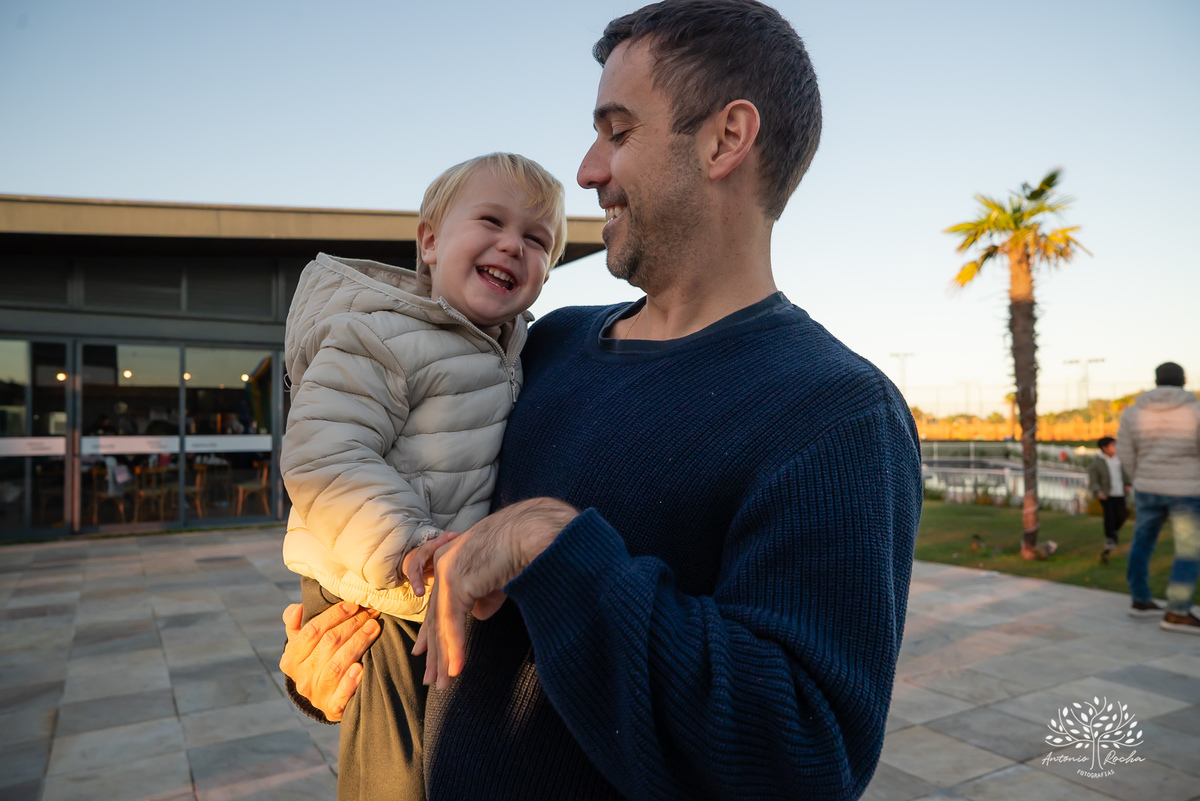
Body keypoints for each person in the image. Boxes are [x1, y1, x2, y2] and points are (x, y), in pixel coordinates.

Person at [280, 2, 922, 798]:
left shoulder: (837, 415)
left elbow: (804, 757)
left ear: (726, 138)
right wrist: (333, 661)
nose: (587, 171)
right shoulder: (538, 346)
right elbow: (402, 521)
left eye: (617, 132)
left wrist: (550, 544)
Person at [279, 153, 567, 800]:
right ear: (430, 242)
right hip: (375, 593)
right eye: (491, 221)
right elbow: (325, 458)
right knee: (397, 779)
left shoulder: (511, 348)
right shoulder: (379, 336)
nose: (512, 245)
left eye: (536, 239)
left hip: (424, 591)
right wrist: (410, 544)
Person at [1117, 361, 1200, 632]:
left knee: (1142, 543)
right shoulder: (1195, 411)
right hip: (1186, 490)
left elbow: (1125, 453)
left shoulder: (1133, 412)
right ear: (1184, 380)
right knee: (1188, 550)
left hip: (1147, 487)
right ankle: (1177, 611)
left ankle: (1140, 600)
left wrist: (1139, 477)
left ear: (1156, 381)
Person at [1087, 436, 1130, 564]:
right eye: (1113, 445)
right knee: (1110, 517)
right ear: (1104, 448)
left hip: (1120, 493)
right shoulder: (1097, 463)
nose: (1116, 448)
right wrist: (1098, 491)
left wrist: (1127, 483)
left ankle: (1113, 533)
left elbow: (1125, 473)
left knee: (1123, 515)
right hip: (1106, 495)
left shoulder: (1119, 459)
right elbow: (1093, 480)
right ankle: (1110, 538)